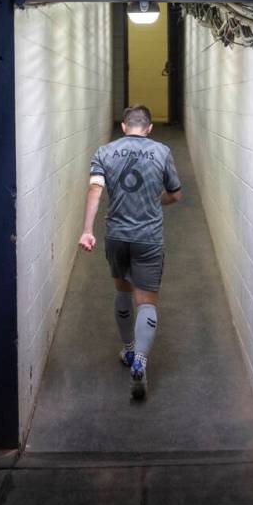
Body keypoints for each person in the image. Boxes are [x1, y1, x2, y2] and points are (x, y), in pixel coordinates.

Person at [78, 103, 182, 400]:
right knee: (146, 301)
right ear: (149, 128)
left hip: (117, 236)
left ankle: (128, 349)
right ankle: (141, 360)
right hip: (148, 238)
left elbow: (95, 191)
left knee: (122, 291)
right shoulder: (161, 151)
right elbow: (175, 194)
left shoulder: (104, 152)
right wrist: (152, 200)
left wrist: (87, 230)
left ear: (123, 127)